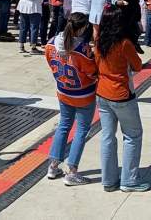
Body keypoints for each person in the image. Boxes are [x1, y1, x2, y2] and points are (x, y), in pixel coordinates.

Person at [94, 7, 149, 192]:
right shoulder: (124, 43)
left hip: (102, 93)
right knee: (133, 136)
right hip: (122, 94)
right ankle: (129, 180)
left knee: (107, 137)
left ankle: (108, 180)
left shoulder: (99, 41)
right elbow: (138, 65)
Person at [45, 13, 99, 186]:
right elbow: (92, 71)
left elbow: (50, 63)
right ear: (82, 28)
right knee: (81, 130)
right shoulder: (82, 49)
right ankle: (72, 171)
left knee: (64, 125)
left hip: (63, 90)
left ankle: (53, 166)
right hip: (84, 93)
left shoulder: (51, 43)